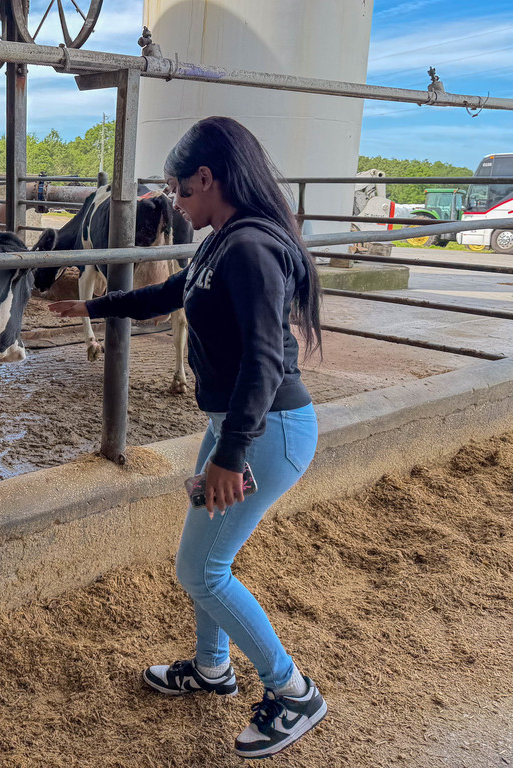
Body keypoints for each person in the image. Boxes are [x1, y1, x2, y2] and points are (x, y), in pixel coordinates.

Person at [49, 116, 326, 759]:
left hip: (264, 429)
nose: (175, 203)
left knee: (201, 568)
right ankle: (212, 669)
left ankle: (293, 692)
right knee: (204, 560)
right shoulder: (220, 238)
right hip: (236, 423)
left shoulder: (252, 247)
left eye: (180, 190)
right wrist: (91, 307)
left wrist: (230, 456)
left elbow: (264, 361)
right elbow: (176, 292)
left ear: (209, 178)